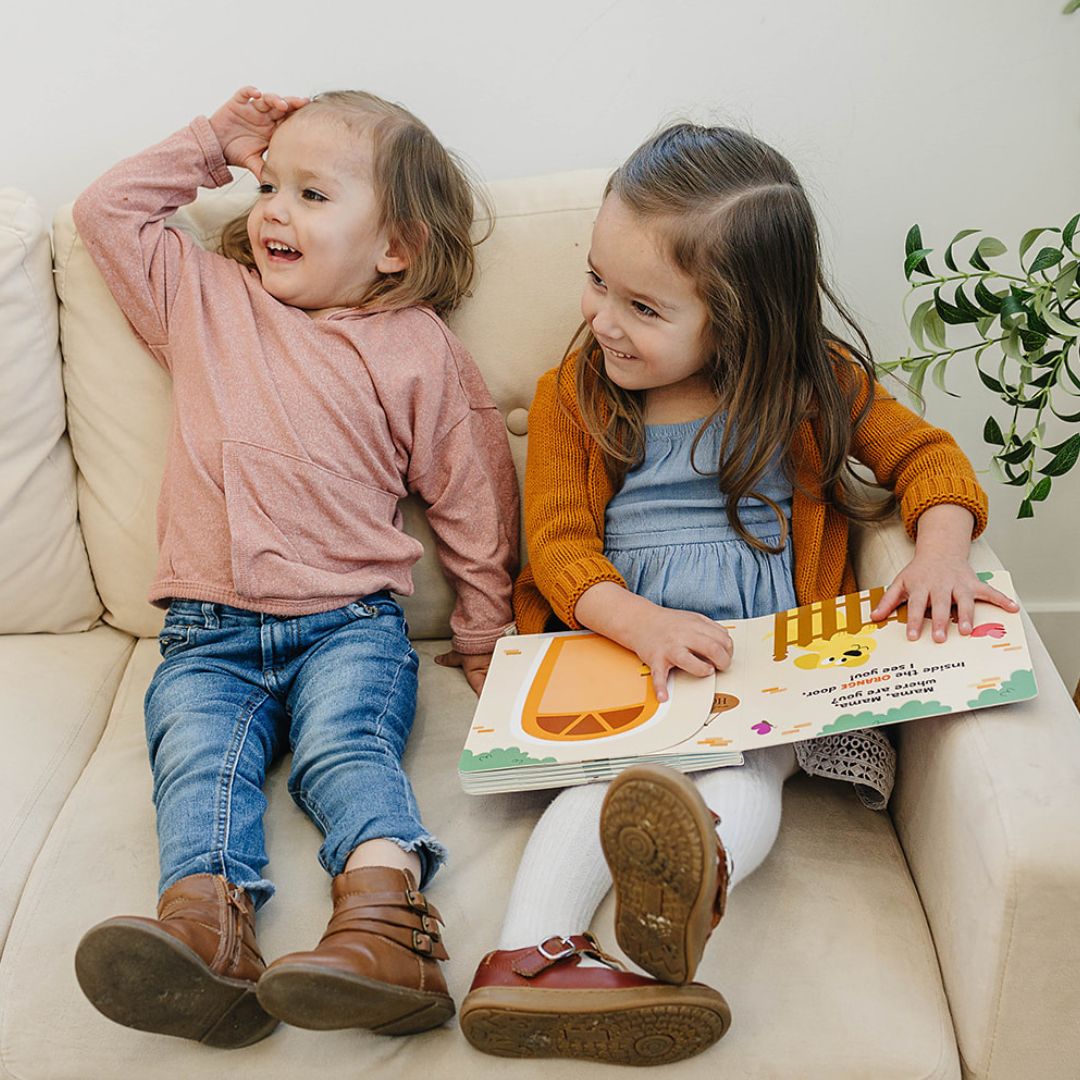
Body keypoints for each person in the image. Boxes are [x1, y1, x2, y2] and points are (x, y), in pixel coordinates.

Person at [457, 122, 1018, 1068]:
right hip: (622, 644)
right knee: (607, 779)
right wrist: (637, 622)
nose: (604, 319)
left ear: (744, 318)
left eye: (643, 305)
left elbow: (928, 457)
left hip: (764, 658)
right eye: (598, 281)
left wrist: (942, 549)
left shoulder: (810, 384)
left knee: (745, 773)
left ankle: (683, 879)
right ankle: (527, 958)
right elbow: (557, 545)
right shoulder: (576, 394)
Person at [71, 87, 518, 1048]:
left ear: (394, 244)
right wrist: (214, 142)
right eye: (269, 185)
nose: (272, 209)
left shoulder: (416, 350)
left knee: (344, 752)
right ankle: (205, 942)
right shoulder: (202, 300)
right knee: (197, 762)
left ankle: (385, 929)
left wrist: (486, 632)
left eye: (313, 195)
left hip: (350, 622)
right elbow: (104, 212)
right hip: (206, 630)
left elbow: (473, 498)